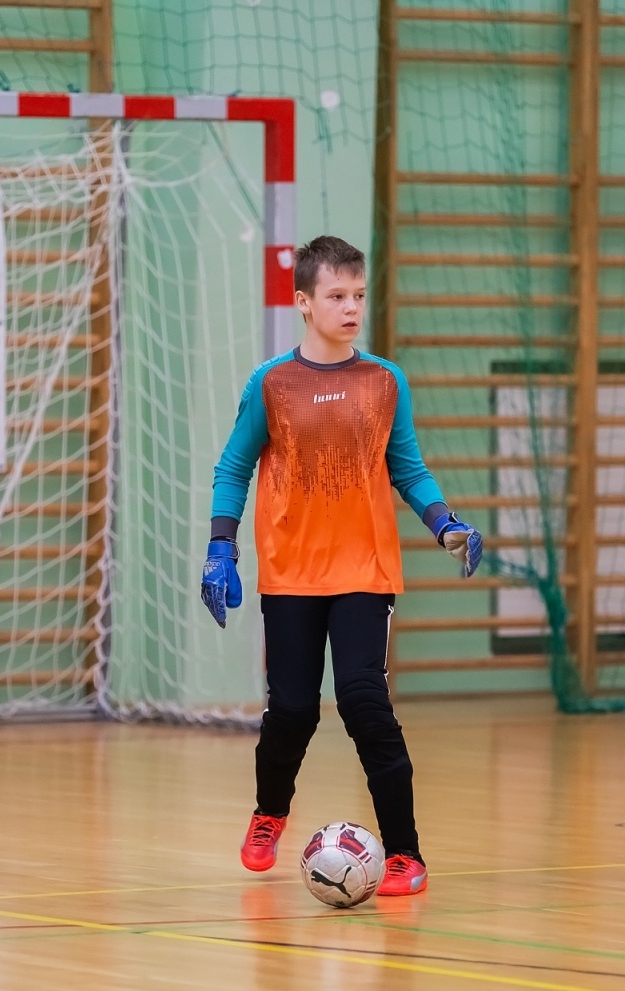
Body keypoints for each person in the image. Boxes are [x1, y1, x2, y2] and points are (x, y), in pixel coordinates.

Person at [200, 235, 482, 897]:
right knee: (292, 710)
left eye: (358, 294)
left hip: (366, 569)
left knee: (364, 702)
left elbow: (406, 467)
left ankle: (406, 854)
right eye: (336, 295)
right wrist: (221, 547)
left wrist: (444, 523)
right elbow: (232, 468)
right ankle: (270, 812)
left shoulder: (386, 382)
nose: (351, 306)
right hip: (291, 571)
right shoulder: (272, 383)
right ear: (304, 302)